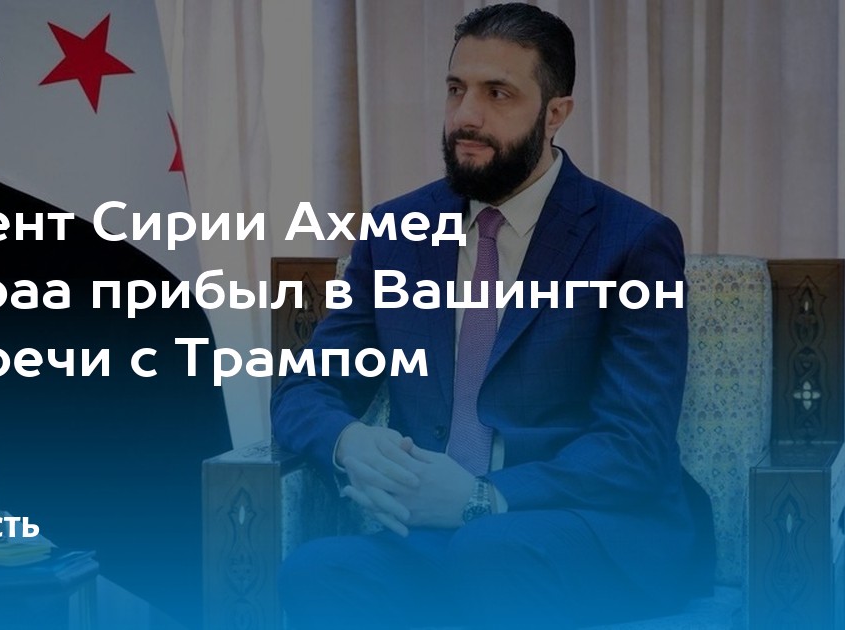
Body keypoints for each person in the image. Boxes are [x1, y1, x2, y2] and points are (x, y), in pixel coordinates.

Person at [271, 4, 714, 628]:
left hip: (589, 531)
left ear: (555, 113)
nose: (466, 116)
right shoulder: (396, 231)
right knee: (314, 572)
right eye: (456, 90)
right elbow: (305, 389)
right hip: (437, 539)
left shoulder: (634, 241)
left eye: (497, 93)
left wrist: (483, 498)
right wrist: (350, 443)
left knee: (490, 551)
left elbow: (634, 442)